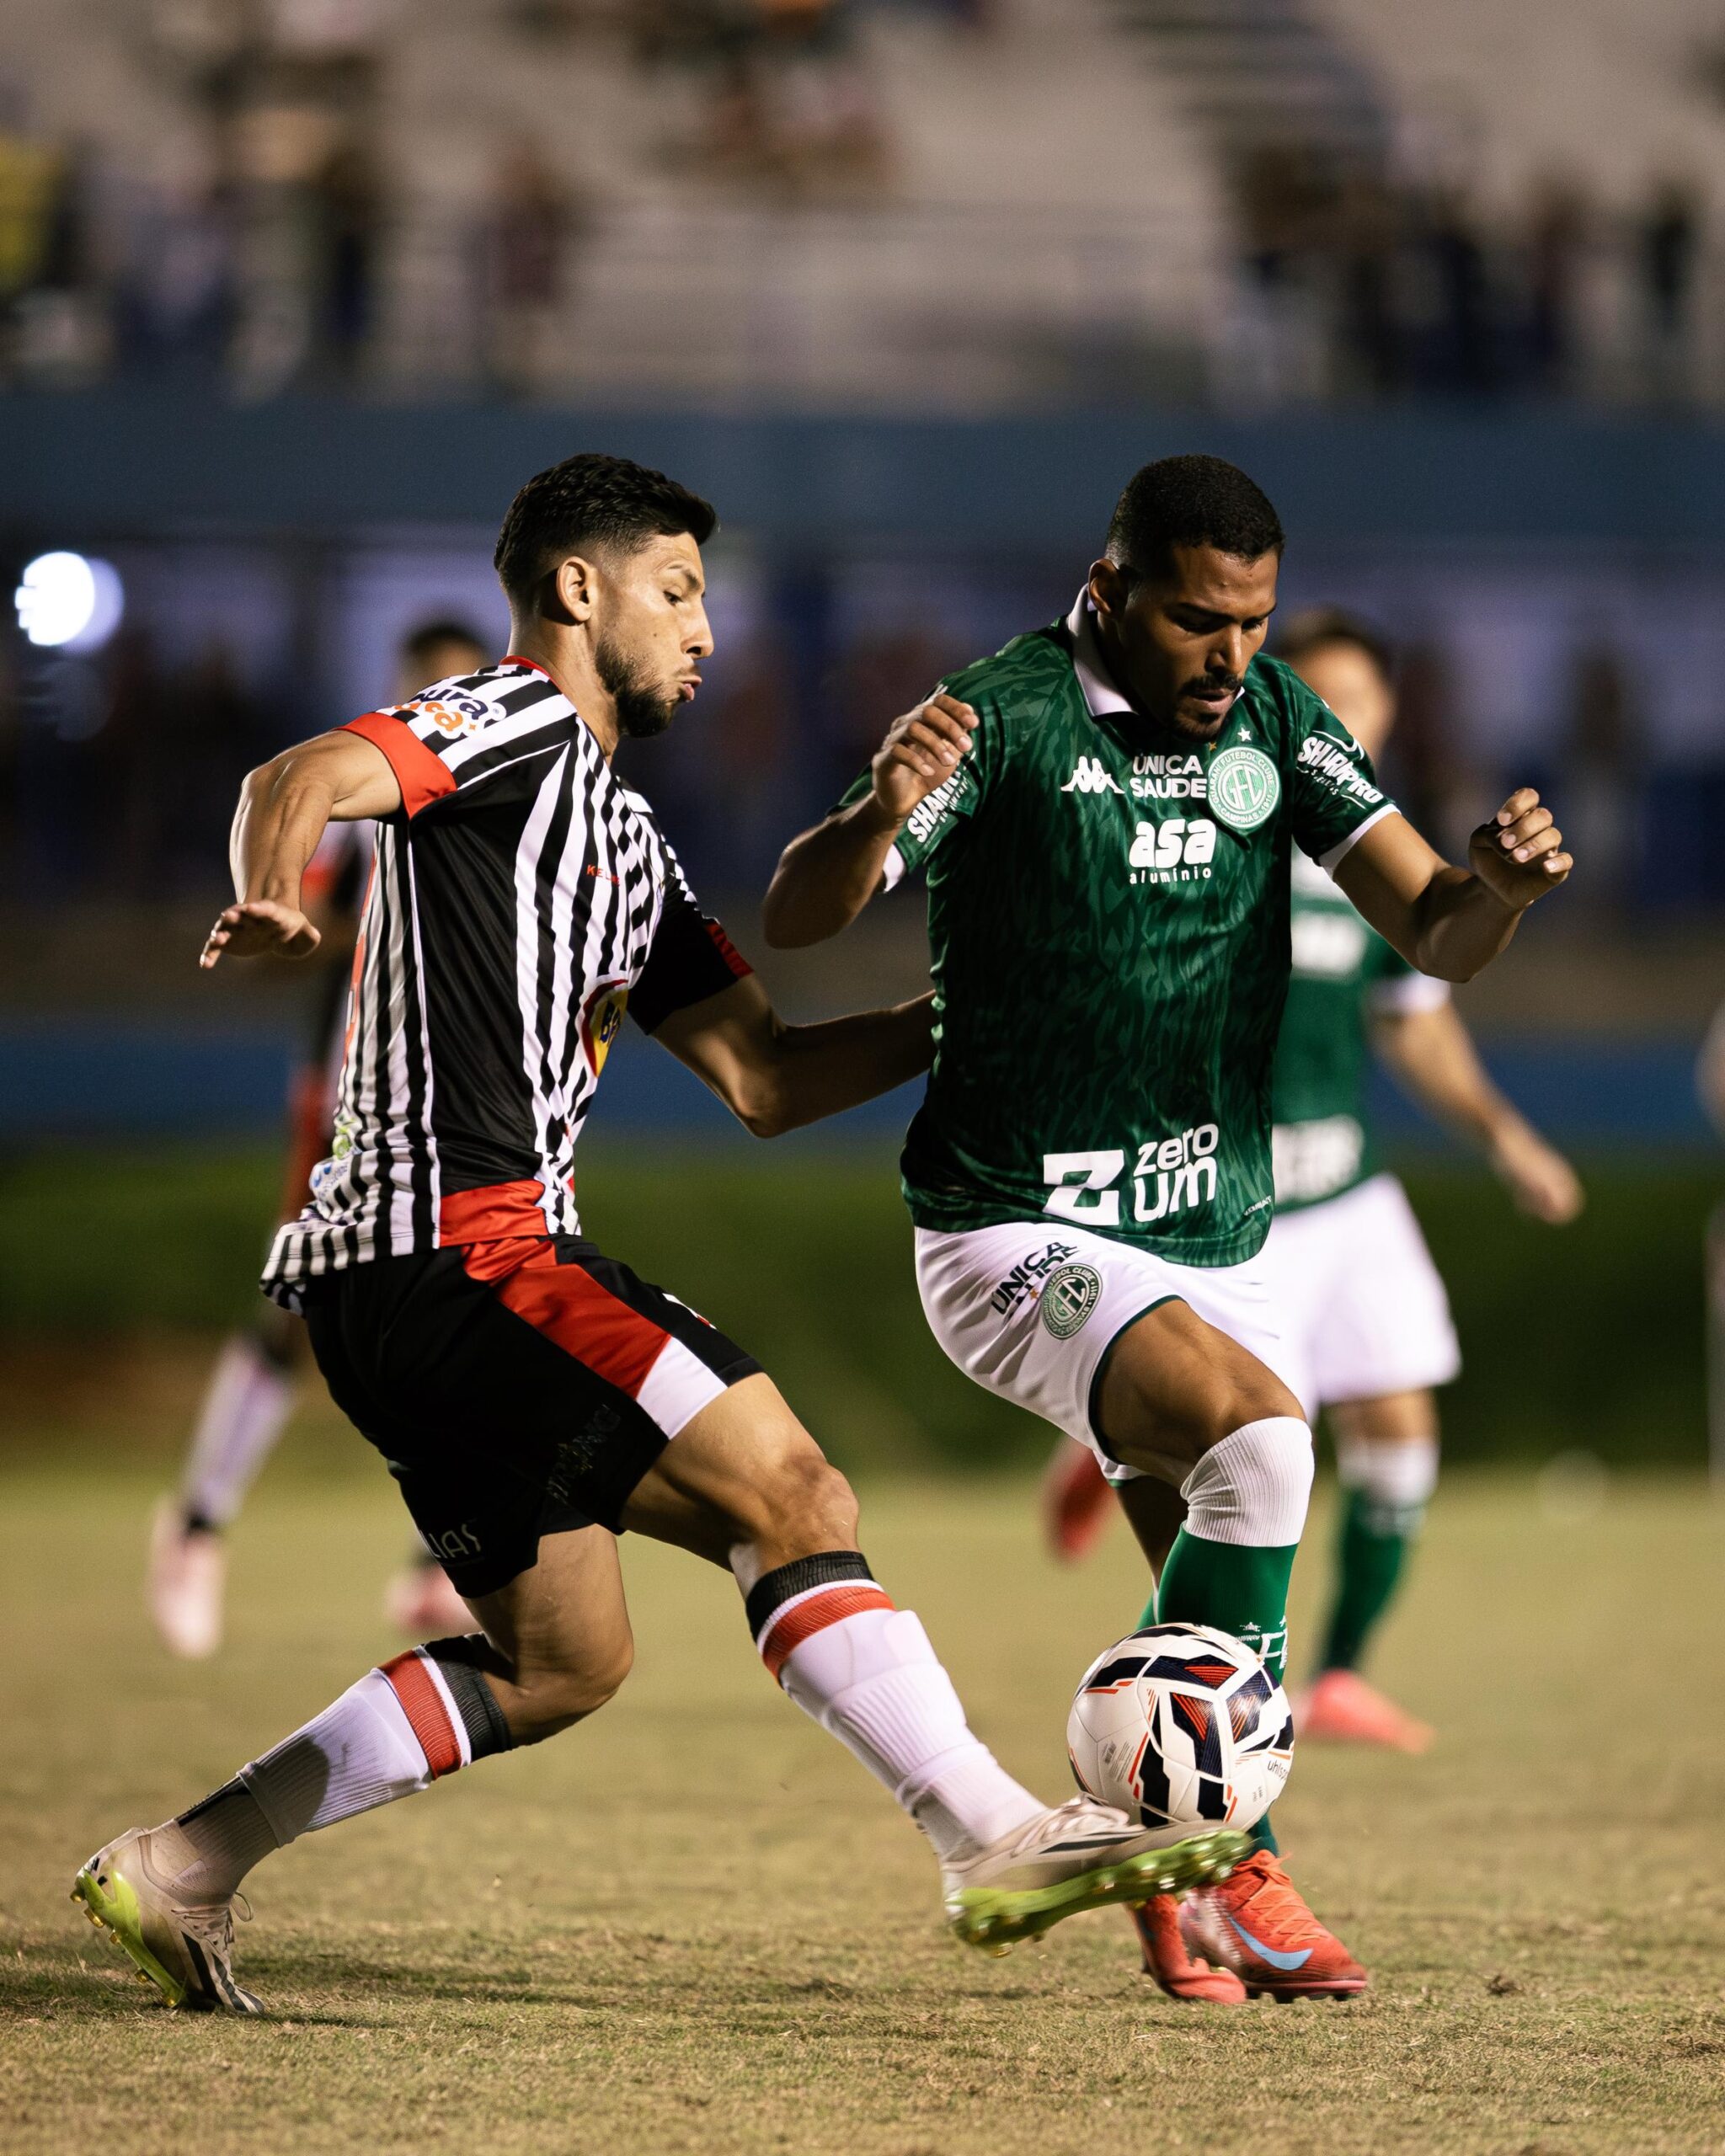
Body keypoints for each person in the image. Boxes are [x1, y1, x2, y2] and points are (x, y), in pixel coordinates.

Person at [75, 454, 1242, 2016]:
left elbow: (764, 1075)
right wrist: (280, 895)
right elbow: (286, 781)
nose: (705, 629)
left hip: (411, 1289)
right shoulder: (511, 719)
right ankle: (986, 1839)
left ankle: (187, 1864)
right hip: (463, 1250)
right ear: (578, 591)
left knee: (564, 1660)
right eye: (677, 592)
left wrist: (975, 1012)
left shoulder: (625, 842)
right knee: (791, 1487)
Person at [761, 455, 1573, 2004]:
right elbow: (802, 911)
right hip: (1010, 1227)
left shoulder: (1276, 721)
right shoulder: (1003, 714)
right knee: (1266, 1448)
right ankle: (1214, 1865)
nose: (1229, 657)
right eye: (1198, 621)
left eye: (1253, 622)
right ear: (1108, 591)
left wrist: (1502, 891)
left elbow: (1436, 932)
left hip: (1213, 1228)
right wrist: (874, 810)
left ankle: (1178, 1869)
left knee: (1219, 1610)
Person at [1040, 608, 1583, 1758]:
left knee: (1399, 1423)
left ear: (1382, 717)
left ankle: (1335, 1675)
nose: (1333, 719)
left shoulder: (1383, 861)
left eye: (1358, 700)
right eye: (1314, 695)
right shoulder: (1207, 834)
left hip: (1351, 1191)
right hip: (1230, 1210)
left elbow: (1417, 1024)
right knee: (1244, 1468)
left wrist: (1506, 1136)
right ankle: (1168, 1698)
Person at [147, 622, 491, 1660]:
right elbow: (289, 927)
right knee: (297, 1309)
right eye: (426, 686)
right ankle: (197, 1526)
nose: (445, 705)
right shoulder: (362, 793)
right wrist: (303, 921)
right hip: (351, 1085)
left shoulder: (509, 790)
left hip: (470, 1094)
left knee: (478, 1299)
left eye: (462, 685)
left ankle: (441, 1563)